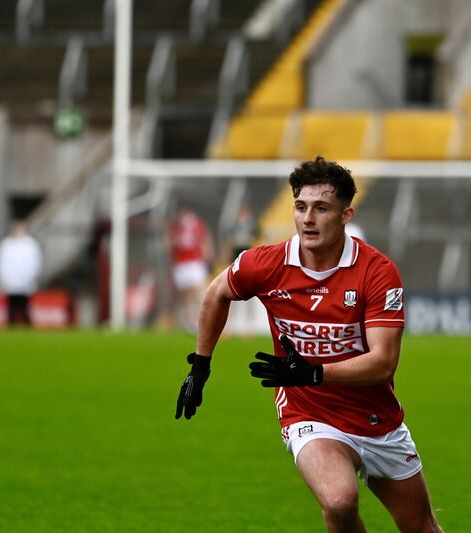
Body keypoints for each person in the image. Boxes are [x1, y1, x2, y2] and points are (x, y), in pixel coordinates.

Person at [175, 156, 443, 533]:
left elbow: (383, 363)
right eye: (300, 207)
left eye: (321, 208)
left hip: (376, 418)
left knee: (420, 527)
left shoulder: (378, 272)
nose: (308, 219)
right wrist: (200, 366)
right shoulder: (267, 264)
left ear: (346, 215)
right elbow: (217, 293)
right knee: (339, 502)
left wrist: (312, 372)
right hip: (309, 415)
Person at [167, 207, 214, 331]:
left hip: (195, 263)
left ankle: (201, 319)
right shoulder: (176, 227)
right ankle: (188, 321)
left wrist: (208, 258)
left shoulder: (198, 225)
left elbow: (205, 242)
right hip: (181, 264)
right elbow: (169, 244)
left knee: (200, 292)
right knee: (185, 295)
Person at [0, 220, 43, 325]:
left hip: (26, 282)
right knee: (11, 306)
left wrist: (30, 277)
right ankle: (10, 324)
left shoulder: (30, 244)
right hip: (10, 282)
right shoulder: (6, 244)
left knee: (25, 306)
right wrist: (5, 279)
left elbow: (35, 263)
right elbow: (1, 263)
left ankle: (26, 324)